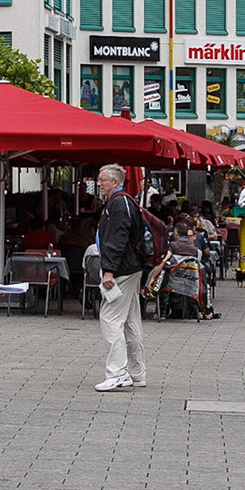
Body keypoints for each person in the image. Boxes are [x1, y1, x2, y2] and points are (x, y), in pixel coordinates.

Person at [94, 163, 149, 392]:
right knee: (130, 320)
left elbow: (117, 239)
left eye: (102, 180)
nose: (98, 183)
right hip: (130, 267)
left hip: (122, 270)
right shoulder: (125, 202)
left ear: (115, 182)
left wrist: (109, 270)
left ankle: (117, 372)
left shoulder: (118, 204)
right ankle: (137, 372)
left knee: (110, 318)